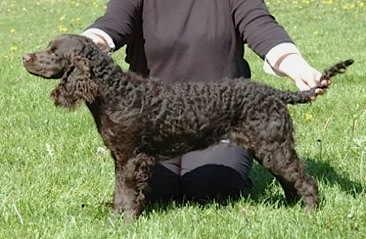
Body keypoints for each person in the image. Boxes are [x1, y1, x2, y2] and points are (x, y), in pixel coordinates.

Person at [81, 0, 329, 203]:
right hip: (153, 122)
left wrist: (297, 67)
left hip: (219, 117)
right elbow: (112, 24)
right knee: (155, 191)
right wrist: (86, 44)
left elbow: (261, 26)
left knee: (211, 185)